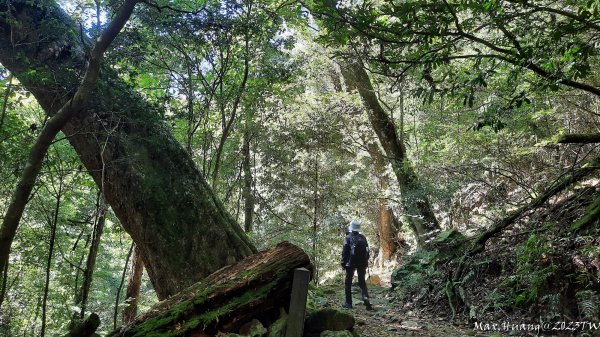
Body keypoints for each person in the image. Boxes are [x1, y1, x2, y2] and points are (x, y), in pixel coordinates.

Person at [341, 220, 372, 310]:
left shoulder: (348, 237)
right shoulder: (363, 237)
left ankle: (348, 303)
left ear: (351, 228)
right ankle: (365, 297)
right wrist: (366, 261)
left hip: (350, 263)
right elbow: (367, 251)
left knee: (348, 283)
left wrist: (343, 263)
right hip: (362, 263)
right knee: (362, 281)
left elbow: (344, 252)